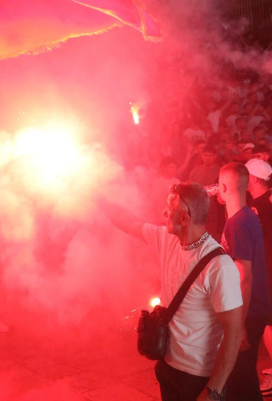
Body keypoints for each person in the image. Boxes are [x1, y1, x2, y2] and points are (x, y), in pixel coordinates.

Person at [99, 183, 243, 401]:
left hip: (198, 377)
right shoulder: (167, 240)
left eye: (169, 208)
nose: (164, 213)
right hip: (167, 366)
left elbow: (233, 333)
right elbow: (129, 222)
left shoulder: (219, 266)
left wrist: (213, 391)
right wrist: (97, 198)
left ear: (184, 218)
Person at [219, 163, 272, 400]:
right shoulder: (246, 216)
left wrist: (238, 325)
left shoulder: (239, 223)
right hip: (253, 309)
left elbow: (244, 278)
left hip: (247, 312)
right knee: (243, 378)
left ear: (223, 187)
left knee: (240, 380)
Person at [245, 159, 272, 395]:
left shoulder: (267, 201)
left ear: (253, 178)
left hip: (268, 271)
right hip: (264, 270)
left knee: (268, 323)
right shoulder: (255, 202)